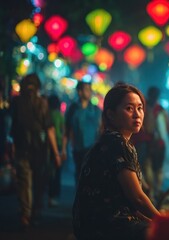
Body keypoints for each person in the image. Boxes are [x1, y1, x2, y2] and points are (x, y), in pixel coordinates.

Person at [72, 83, 160, 240]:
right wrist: (165, 222)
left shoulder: (113, 140)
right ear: (111, 114)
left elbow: (131, 204)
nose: (137, 114)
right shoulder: (116, 144)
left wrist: (154, 221)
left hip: (94, 223)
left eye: (140, 108)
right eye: (129, 108)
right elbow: (137, 198)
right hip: (104, 227)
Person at [10, 73, 61, 228]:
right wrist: (56, 153)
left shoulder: (22, 102)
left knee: (30, 181)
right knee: (32, 181)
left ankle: (28, 212)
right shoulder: (32, 103)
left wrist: (55, 153)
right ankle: (29, 213)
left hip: (30, 148)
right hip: (32, 148)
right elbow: (49, 129)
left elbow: (49, 129)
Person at [131, 86, 169, 201]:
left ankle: (153, 193)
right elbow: (166, 128)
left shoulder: (154, 108)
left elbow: (165, 127)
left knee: (150, 168)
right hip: (147, 143)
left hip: (152, 143)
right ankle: (151, 193)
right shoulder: (147, 107)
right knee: (147, 168)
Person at [64, 81, 101, 184]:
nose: (89, 92)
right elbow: (67, 129)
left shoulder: (95, 109)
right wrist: (64, 149)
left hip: (92, 148)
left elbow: (101, 128)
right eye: (86, 90)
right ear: (79, 92)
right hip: (78, 148)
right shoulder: (73, 109)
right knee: (79, 173)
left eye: (90, 89)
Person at [47, 94, 65, 207]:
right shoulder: (60, 115)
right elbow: (64, 133)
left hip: (49, 146)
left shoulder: (49, 115)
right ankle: (54, 196)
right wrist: (63, 149)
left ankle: (51, 195)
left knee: (51, 171)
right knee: (57, 172)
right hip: (58, 145)